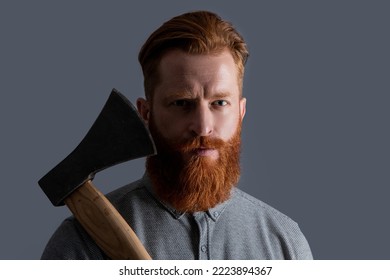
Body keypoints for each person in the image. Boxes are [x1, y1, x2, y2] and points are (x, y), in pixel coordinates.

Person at [41, 10, 313, 260]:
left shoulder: (285, 244)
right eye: (182, 103)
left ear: (241, 111)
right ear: (145, 113)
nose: (203, 126)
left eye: (219, 103)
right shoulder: (80, 244)